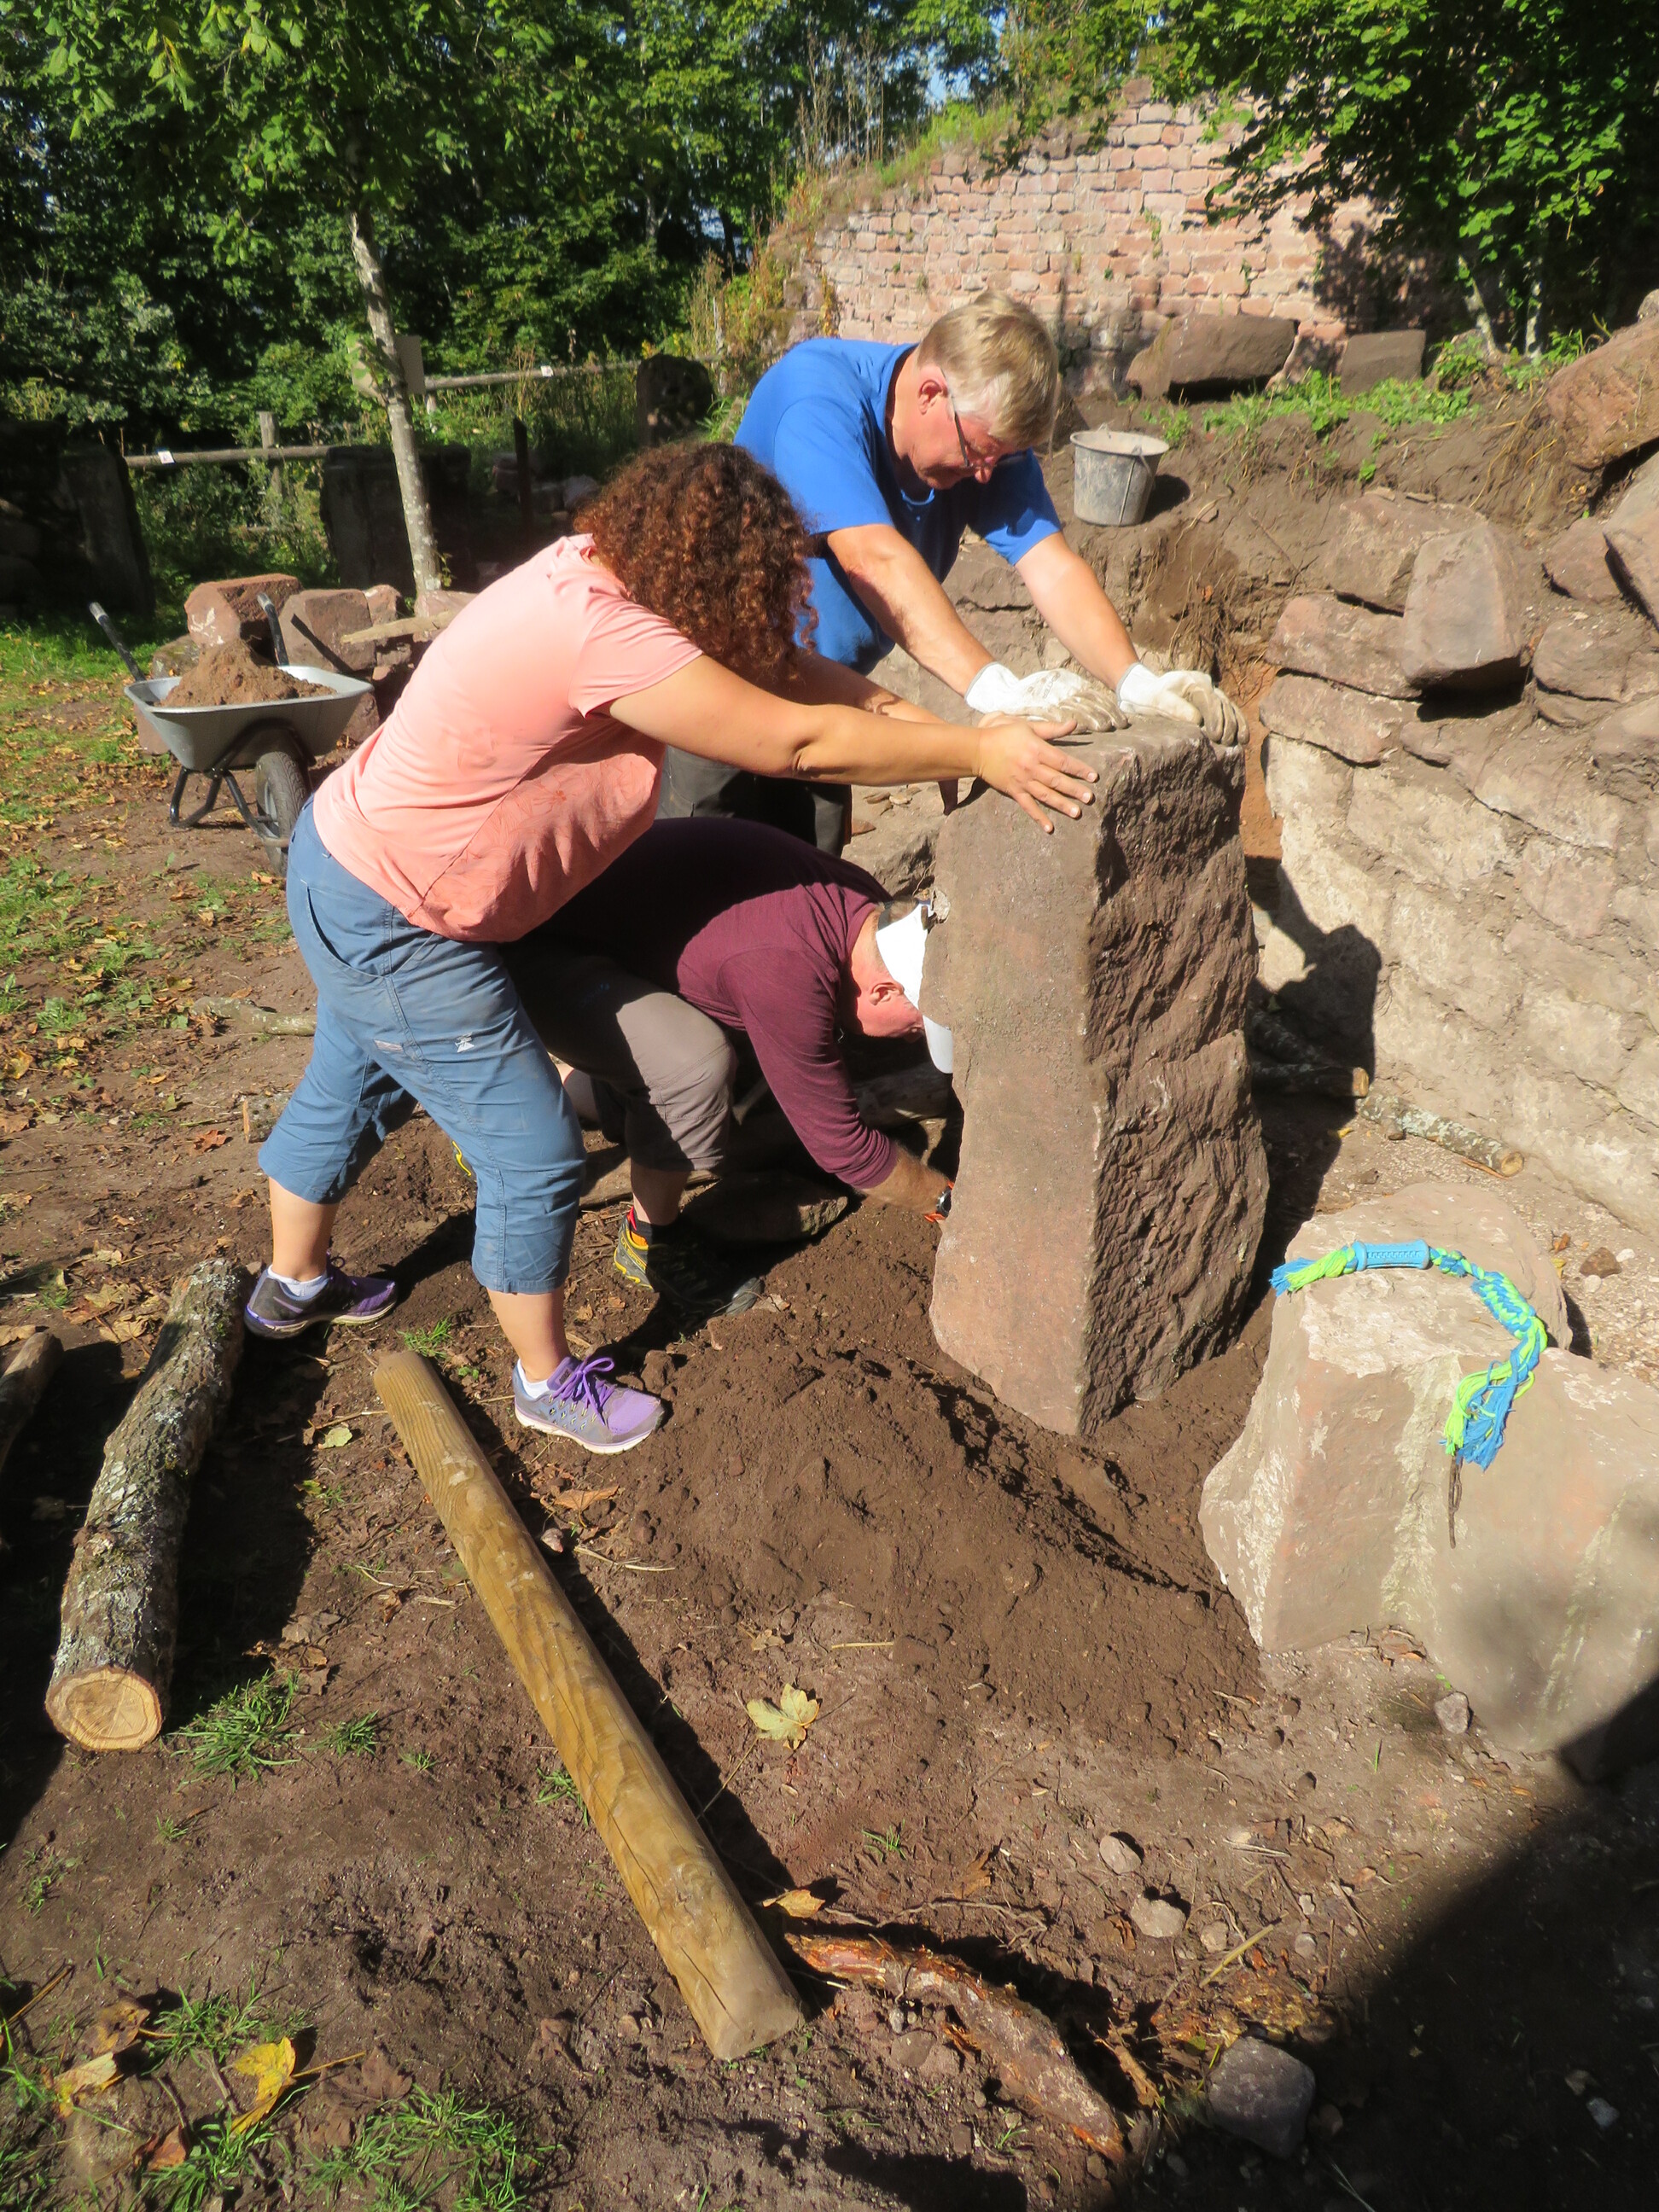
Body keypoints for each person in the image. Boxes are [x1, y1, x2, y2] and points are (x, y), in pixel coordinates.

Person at [241, 441, 1097, 1458]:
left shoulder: (601, 577)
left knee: (356, 1079)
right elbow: (796, 741)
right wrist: (972, 748)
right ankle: (546, 1383)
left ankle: (293, 1286)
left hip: (353, 859)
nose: (762, 613)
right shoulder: (601, 631)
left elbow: (791, 677)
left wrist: (938, 733)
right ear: (712, 571)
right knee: (532, 1151)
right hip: (403, 911)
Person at [656, 292, 1244, 852]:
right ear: (930, 394)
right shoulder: (817, 401)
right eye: (979, 453)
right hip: (717, 684)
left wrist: (1134, 680)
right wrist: (1000, 692)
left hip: (828, 696)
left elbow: (1052, 568)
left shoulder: (985, 441)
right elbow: (873, 558)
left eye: (1001, 458)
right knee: (700, 873)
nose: (986, 475)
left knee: (808, 881)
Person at [505, 818, 952, 1314]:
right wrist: (944, 1203)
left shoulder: (873, 912)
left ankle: (533, 1101)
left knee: (728, 1063)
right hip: (535, 951)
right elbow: (845, 1149)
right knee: (696, 1069)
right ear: (884, 991)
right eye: (918, 1026)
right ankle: (650, 1239)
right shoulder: (788, 972)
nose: (916, 1036)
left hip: (605, 926)